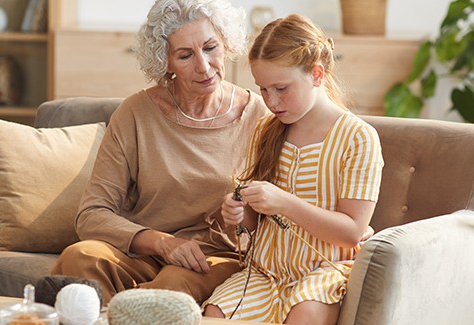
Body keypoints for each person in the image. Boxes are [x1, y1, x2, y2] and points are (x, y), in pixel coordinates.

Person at [50, 0, 268, 305]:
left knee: (173, 284)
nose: (203, 66)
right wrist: (162, 243)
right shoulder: (135, 113)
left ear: (227, 42)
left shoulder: (260, 116)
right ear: (164, 62)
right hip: (147, 251)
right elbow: (91, 215)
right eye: (185, 55)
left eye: (210, 47)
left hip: (216, 259)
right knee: (80, 257)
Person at [203, 14, 384, 324]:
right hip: (265, 273)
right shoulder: (265, 130)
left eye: (281, 88)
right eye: (263, 89)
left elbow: (353, 231)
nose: (271, 101)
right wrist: (238, 213)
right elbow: (254, 222)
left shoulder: (357, 138)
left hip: (324, 273)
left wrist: (284, 202)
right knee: (215, 313)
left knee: (306, 312)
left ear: (316, 74)